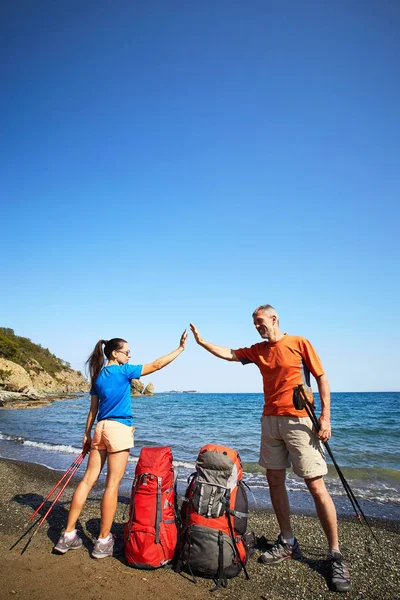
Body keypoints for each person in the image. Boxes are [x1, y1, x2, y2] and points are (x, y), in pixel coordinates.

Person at [190, 306, 351, 593]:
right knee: (274, 481)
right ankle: (287, 541)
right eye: (254, 324)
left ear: (274, 319)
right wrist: (203, 343)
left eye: (260, 322)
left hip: (301, 421)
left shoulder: (300, 343)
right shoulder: (258, 350)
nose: (257, 327)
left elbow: (322, 378)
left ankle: (335, 553)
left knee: (316, 486)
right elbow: (230, 354)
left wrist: (325, 417)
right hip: (270, 421)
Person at [55, 331, 187, 559]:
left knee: (87, 481)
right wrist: (180, 349)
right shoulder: (124, 370)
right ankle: (103, 541)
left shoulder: (98, 376)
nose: (129, 355)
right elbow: (157, 365)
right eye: (127, 352)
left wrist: (86, 435)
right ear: (115, 354)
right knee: (112, 486)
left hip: (100, 429)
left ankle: (67, 535)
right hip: (118, 430)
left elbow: (93, 411)